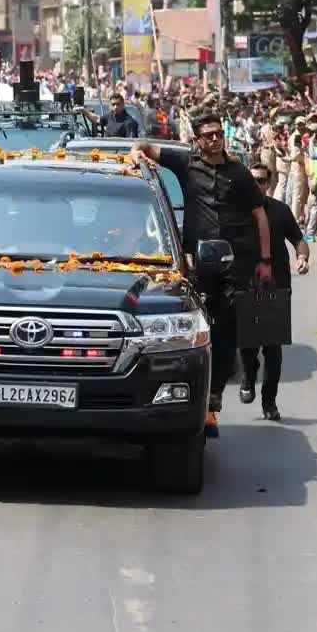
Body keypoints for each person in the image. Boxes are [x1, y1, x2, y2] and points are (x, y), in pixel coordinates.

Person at [132, 114, 274, 438]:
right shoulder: (184, 163)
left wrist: (265, 259)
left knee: (228, 328)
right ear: (196, 140)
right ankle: (196, 400)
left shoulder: (239, 173)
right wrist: (136, 155)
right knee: (197, 327)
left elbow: (259, 215)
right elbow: (142, 146)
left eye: (218, 134)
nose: (214, 140)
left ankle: (216, 393)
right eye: (207, 135)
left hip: (235, 261)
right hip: (196, 263)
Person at [241, 163, 310, 421]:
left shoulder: (280, 210)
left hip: (277, 287)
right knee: (247, 345)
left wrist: (302, 257)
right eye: (253, 180)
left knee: (273, 349)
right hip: (245, 286)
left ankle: (269, 402)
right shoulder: (236, 212)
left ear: (268, 184)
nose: (257, 185)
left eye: (261, 181)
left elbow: (298, 239)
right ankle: (249, 375)